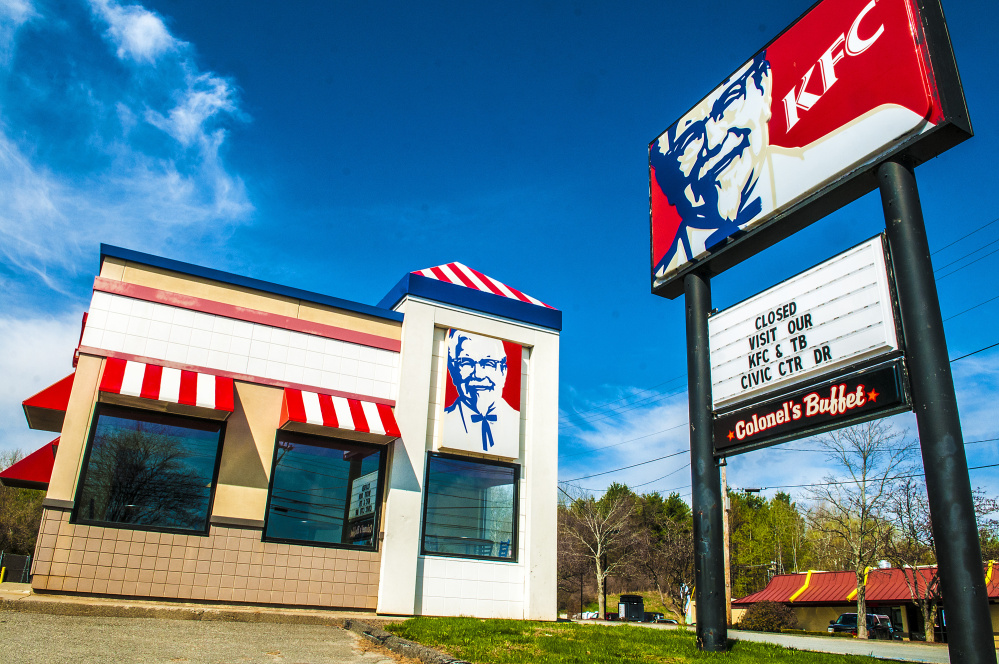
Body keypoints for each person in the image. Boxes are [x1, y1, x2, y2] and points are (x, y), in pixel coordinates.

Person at [651, 50, 774, 280]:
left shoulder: (834, 155)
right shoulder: (667, 267)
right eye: (690, 139)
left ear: (764, 86)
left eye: (732, 99)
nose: (715, 140)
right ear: (667, 185)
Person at [442, 329, 519, 457]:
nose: (478, 374)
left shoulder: (517, 424)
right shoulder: (446, 420)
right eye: (467, 362)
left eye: (488, 363)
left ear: (503, 372)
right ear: (453, 371)